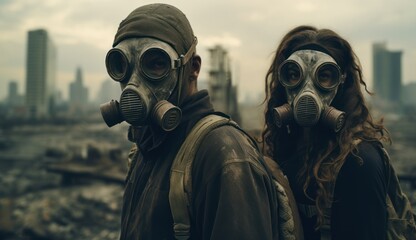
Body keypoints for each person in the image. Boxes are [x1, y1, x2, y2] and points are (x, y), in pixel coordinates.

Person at [99, 4, 281, 239]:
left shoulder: (225, 153)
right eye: (123, 65)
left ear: (192, 68)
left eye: (155, 64)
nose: (134, 81)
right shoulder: (147, 147)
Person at [262, 25, 391, 240]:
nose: (307, 88)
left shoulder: (359, 161)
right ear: (282, 80)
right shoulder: (284, 149)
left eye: (324, 77)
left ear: (342, 81)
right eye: (294, 74)